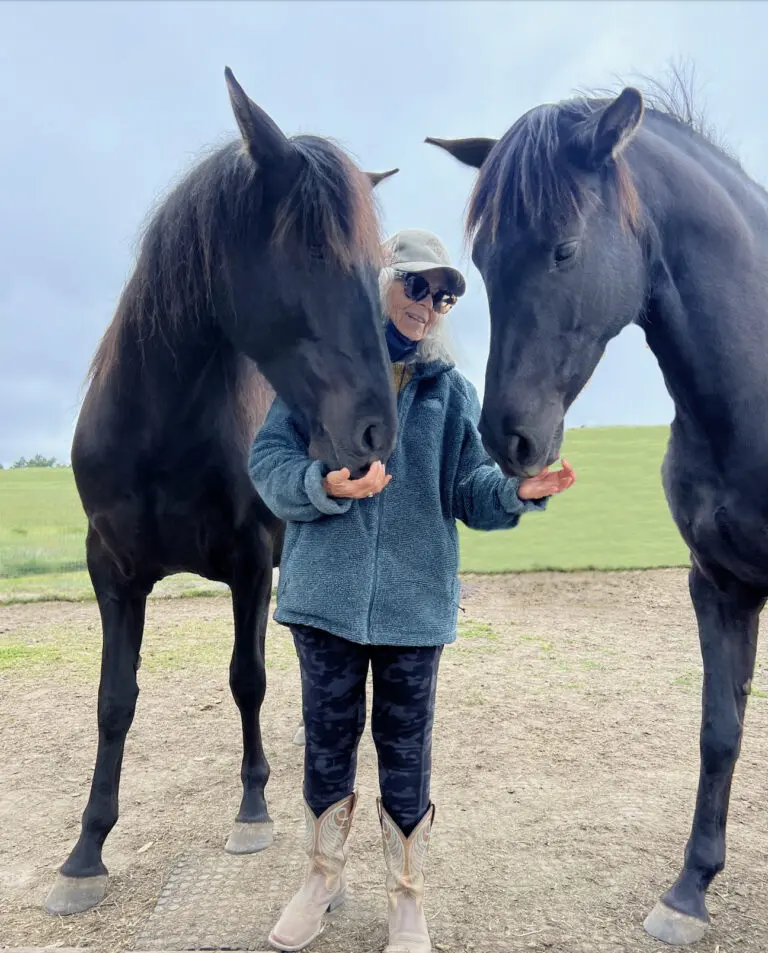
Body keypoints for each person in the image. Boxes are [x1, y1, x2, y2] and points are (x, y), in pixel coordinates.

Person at [248, 229, 576, 953]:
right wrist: (321, 484)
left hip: (414, 608)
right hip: (324, 602)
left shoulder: (450, 391)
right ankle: (321, 878)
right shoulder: (317, 374)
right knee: (326, 747)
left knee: (407, 754)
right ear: (383, 283)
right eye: (418, 285)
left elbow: (469, 489)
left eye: (445, 294)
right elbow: (267, 462)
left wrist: (519, 490)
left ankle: (406, 897)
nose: (431, 304)